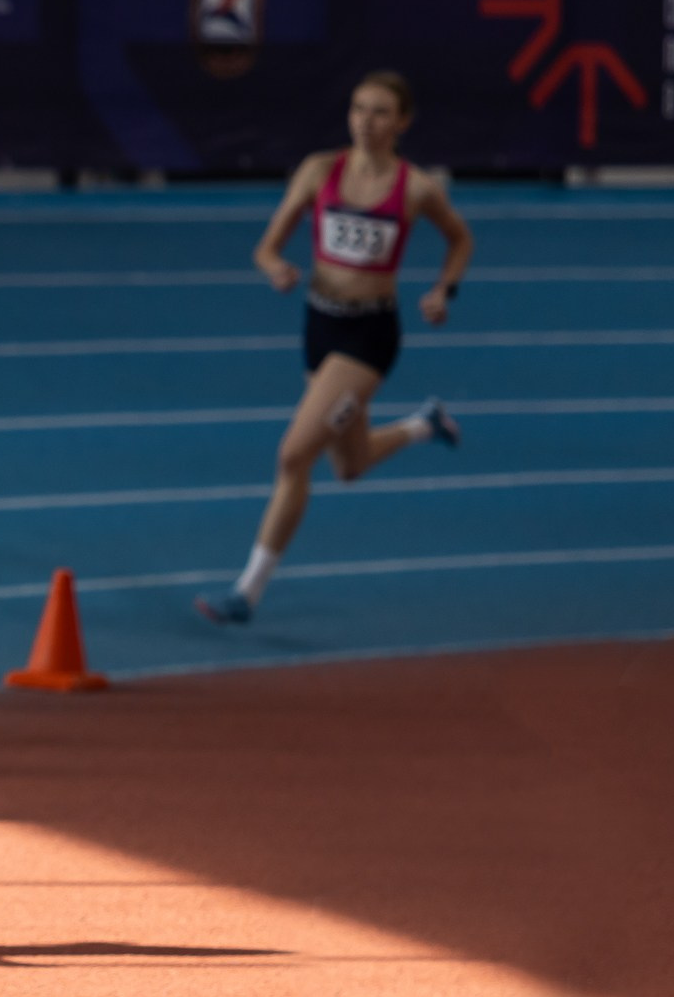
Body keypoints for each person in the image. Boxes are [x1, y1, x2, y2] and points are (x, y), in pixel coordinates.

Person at [196, 71, 473, 625]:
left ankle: (247, 592)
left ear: (402, 123)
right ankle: (425, 424)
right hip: (319, 326)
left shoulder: (415, 187)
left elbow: (460, 238)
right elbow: (266, 247)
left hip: (369, 339)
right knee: (348, 466)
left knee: (293, 455)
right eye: (358, 109)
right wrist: (275, 267)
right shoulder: (319, 171)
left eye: (379, 113)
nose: (365, 122)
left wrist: (444, 290)